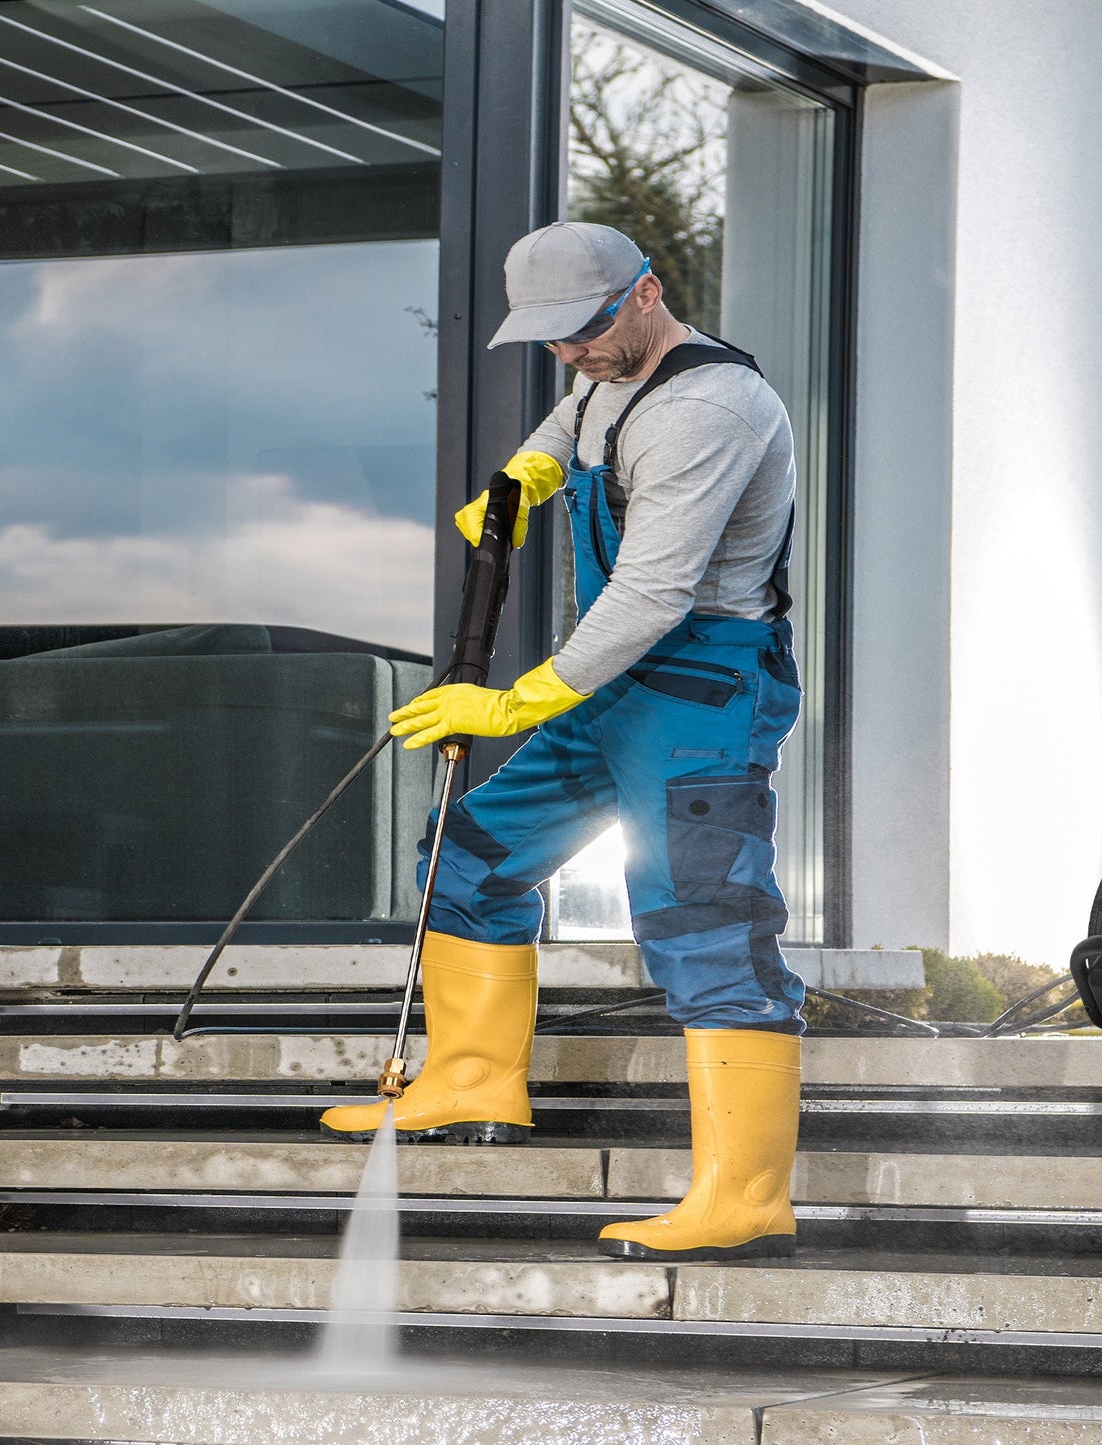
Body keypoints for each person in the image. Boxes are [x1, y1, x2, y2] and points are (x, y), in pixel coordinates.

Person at [320, 221, 805, 1263]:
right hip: (610, 681)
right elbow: (569, 421)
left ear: (644, 295)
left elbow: (652, 590)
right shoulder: (599, 375)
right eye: (549, 339)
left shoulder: (710, 407)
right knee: (468, 851)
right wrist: (520, 481)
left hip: (697, 686)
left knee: (701, 918)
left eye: (582, 330)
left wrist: (511, 702)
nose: (568, 353)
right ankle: (467, 1081)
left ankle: (743, 1192)